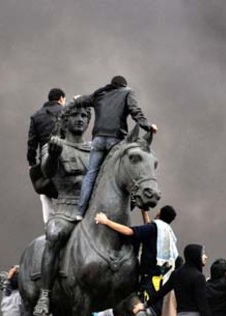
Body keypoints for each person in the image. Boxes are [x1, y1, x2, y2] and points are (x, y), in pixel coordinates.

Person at [66, 75, 158, 219]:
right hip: (115, 139)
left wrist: (73, 100)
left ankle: (80, 213)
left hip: (98, 140)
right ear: (123, 85)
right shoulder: (127, 92)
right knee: (123, 171)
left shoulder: (101, 93)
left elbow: (82, 100)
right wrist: (147, 126)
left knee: (91, 175)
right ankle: (127, 205)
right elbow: (135, 111)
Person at [33, 106, 91, 316]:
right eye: (75, 115)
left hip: (91, 210)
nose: (80, 119)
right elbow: (47, 171)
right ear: (65, 121)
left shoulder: (94, 149)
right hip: (66, 207)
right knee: (54, 235)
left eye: (84, 116)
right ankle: (45, 294)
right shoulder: (54, 145)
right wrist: (53, 156)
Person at [94, 205, 179, 315]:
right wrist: (144, 212)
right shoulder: (167, 232)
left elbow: (129, 231)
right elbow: (148, 229)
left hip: (148, 280)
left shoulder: (153, 228)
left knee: (142, 309)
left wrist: (106, 221)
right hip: (160, 279)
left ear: (159, 213)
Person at [146, 244, 221, 316]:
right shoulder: (198, 276)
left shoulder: (176, 274)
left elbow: (161, 292)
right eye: (202, 254)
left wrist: (145, 304)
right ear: (196, 256)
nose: (205, 257)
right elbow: (203, 305)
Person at [27, 87, 66, 223]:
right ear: (61, 99)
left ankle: (49, 223)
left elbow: (32, 143)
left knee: (44, 192)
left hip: (46, 157)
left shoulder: (36, 116)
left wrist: (32, 164)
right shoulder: (66, 111)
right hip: (67, 152)